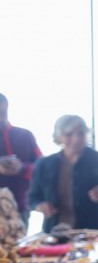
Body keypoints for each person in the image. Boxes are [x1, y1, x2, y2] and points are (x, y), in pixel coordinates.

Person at [29, 114, 98, 233]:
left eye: (80, 133)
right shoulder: (44, 164)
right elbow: (32, 197)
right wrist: (40, 205)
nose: (76, 139)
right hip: (55, 233)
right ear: (59, 137)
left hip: (94, 233)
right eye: (69, 134)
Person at [0, 93, 42, 228]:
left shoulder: (25, 136)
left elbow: (44, 169)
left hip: (20, 208)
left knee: (18, 248)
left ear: (5, 107)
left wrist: (21, 169)